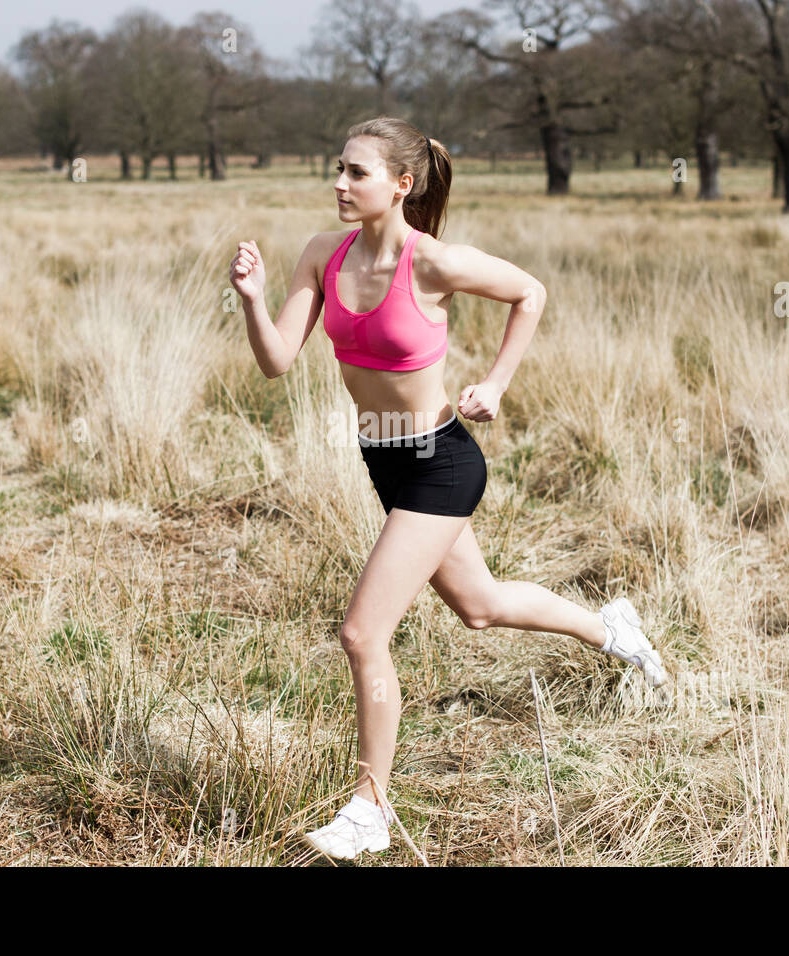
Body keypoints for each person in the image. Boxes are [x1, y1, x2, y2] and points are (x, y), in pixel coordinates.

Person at [228, 116, 667, 861]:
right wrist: (252, 295)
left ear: (400, 184)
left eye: (356, 173)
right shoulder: (320, 255)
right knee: (481, 606)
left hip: (441, 462)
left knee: (362, 634)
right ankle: (612, 629)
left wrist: (496, 382)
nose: (338, 183)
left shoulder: (431, 263)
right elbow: (275, 361)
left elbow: (530, 292)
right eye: (336, 169)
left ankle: (370, 809)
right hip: (384, 459)